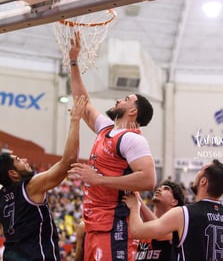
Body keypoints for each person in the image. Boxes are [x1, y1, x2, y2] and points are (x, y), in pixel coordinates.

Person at [67, 31, 157, 261]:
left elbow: (148, 180)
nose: (118, 100)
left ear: (133, 111)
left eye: (125, 99)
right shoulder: (107, 129)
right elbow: (83, 104)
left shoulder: (132, 138)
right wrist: (74, 61)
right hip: (95, 222)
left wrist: (99, 179)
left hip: (115, 224)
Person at [0, 95, 87, 260]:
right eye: (18, 160)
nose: (25, 160)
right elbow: (69, 161)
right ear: (12, 173)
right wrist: (75, 119)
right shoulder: (30, 187)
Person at [124, 159, 223, 261]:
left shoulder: (184, 213)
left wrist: (135, 206)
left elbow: (136, 231)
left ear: (203, 181)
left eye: (199, 171)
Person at [132, 180, 185, 260]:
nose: (159, 189)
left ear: (174, 201)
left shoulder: (177, 228)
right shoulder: (141, 226)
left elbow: (158, 231)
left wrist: (138, 200)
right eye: (160, 187)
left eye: (166, 189)